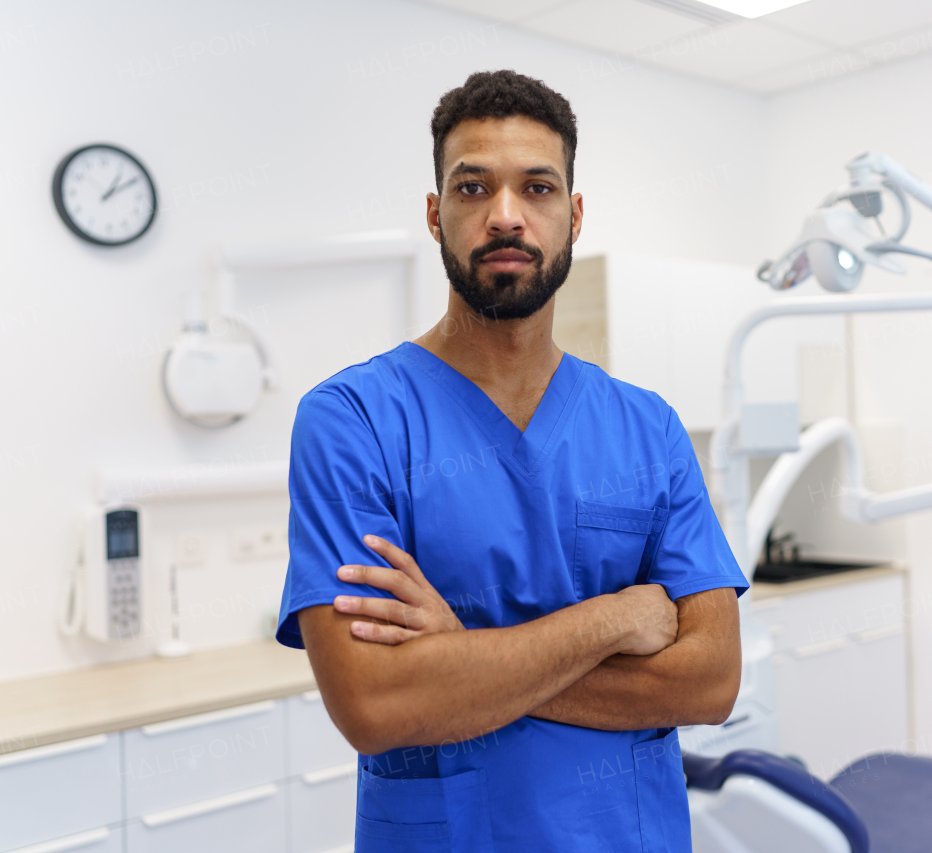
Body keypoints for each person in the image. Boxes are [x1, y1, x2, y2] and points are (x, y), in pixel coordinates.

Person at [275, 69, 747, 853]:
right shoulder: (353, 420)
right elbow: (374, 702)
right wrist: (612, 617)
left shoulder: (646, 427)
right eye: (472, 188)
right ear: (435, 214)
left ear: (574, 213)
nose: (505, 215)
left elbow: (710, 680)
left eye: (536, 187)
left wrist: (459, 656)